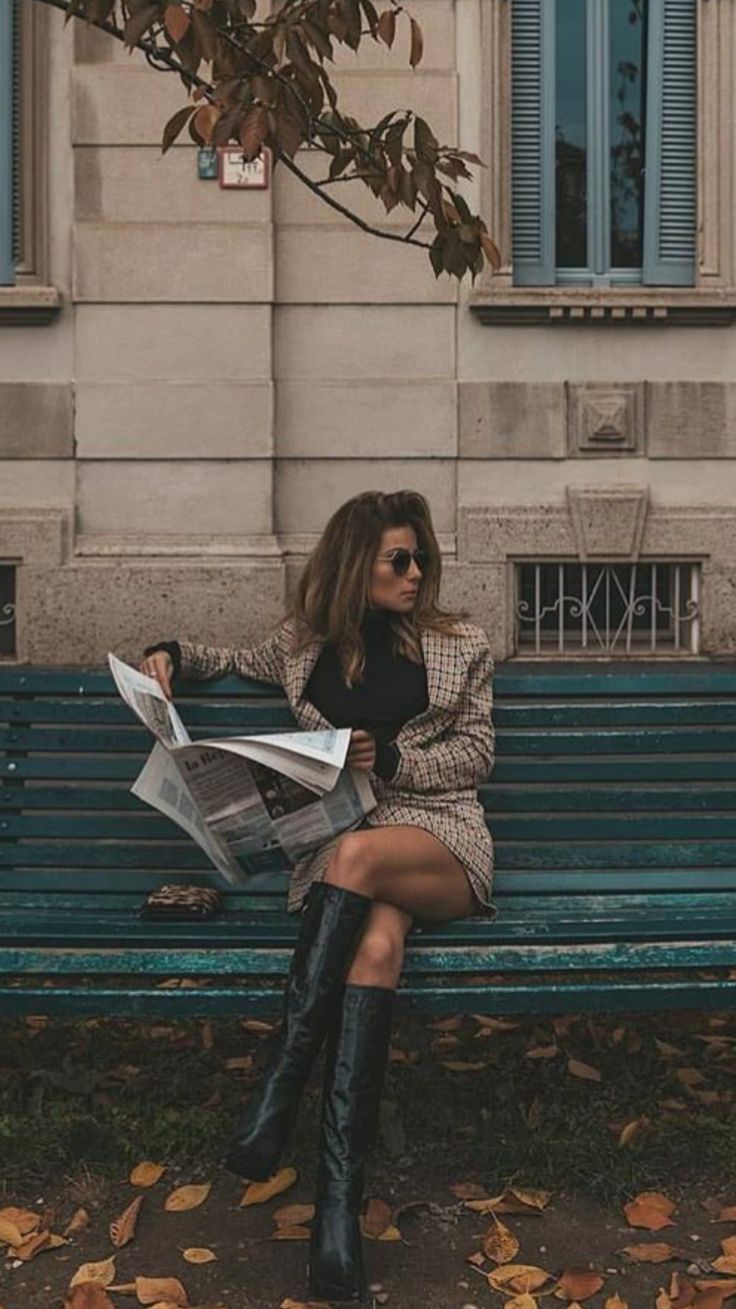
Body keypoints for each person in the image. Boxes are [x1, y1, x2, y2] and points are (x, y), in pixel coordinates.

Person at [140, 488, 497, 1305]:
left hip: (437, 834)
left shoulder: (460, 643)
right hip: (347, 851)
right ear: (353, 568)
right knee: (374, 945)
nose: (417, 574)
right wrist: (168, 656)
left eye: (422, 559)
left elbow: (478, 752)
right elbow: (223, 656)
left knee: (362, 854)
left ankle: (279, 1081)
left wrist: (395, 764)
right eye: (398, 560)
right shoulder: (304, 646)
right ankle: (336, 1215)